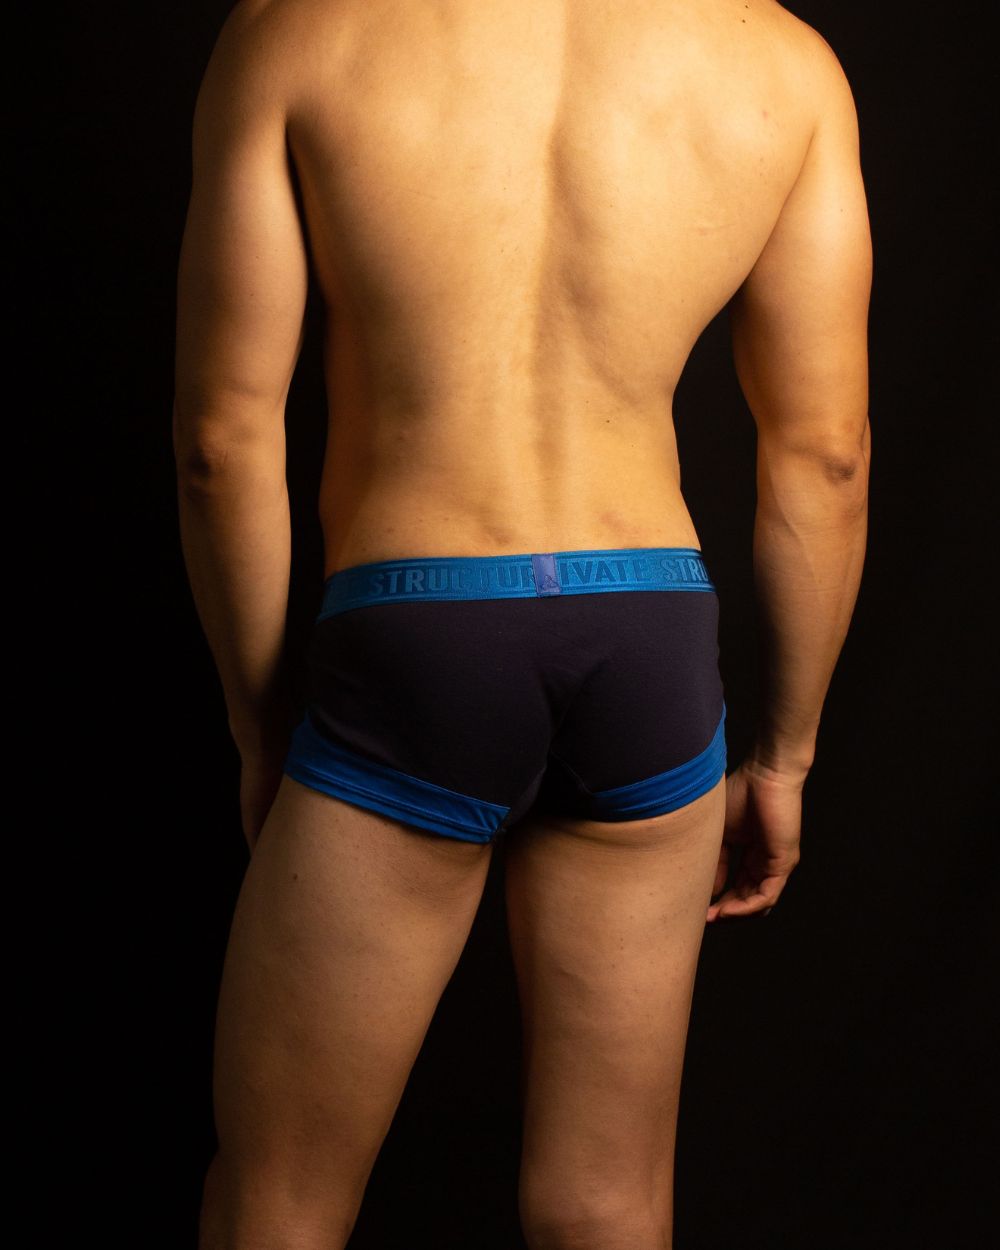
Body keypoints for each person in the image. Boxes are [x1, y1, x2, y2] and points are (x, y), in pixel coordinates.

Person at [173, 0, 871, 1246]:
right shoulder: (783, 62)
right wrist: (785, 755)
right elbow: (825, 454)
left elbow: (222, 439)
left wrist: (259, 723)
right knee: (605, 1204)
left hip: (414, 627)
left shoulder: (297, 32)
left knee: (282, 1198)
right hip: (648, 634)